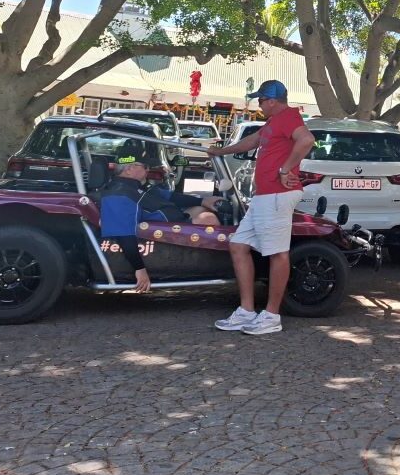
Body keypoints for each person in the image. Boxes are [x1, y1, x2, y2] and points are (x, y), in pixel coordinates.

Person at [208, 80, 315, 335]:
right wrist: (221, 151)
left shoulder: (288, 117)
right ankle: (246, 311)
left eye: (261, 100)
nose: (258, 104)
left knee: (277, 253)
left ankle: (271, 316)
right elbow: (252, 141)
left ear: (272, 100)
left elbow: (307, 140)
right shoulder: (273, 122)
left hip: (278, 195)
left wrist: (286, 168)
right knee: (238, 245)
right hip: (265, 196)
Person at [99, 156, 222, 293]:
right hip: (163, 234)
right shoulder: (119, 194)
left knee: (203, 210)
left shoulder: (136, 186)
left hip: (174, 221)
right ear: (129, 169)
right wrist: (140, 270)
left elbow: (170, 196)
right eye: (145, 166)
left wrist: (203, 201)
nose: (148, 170)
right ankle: (218, 265)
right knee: (208, 219)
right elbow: (125, 235)